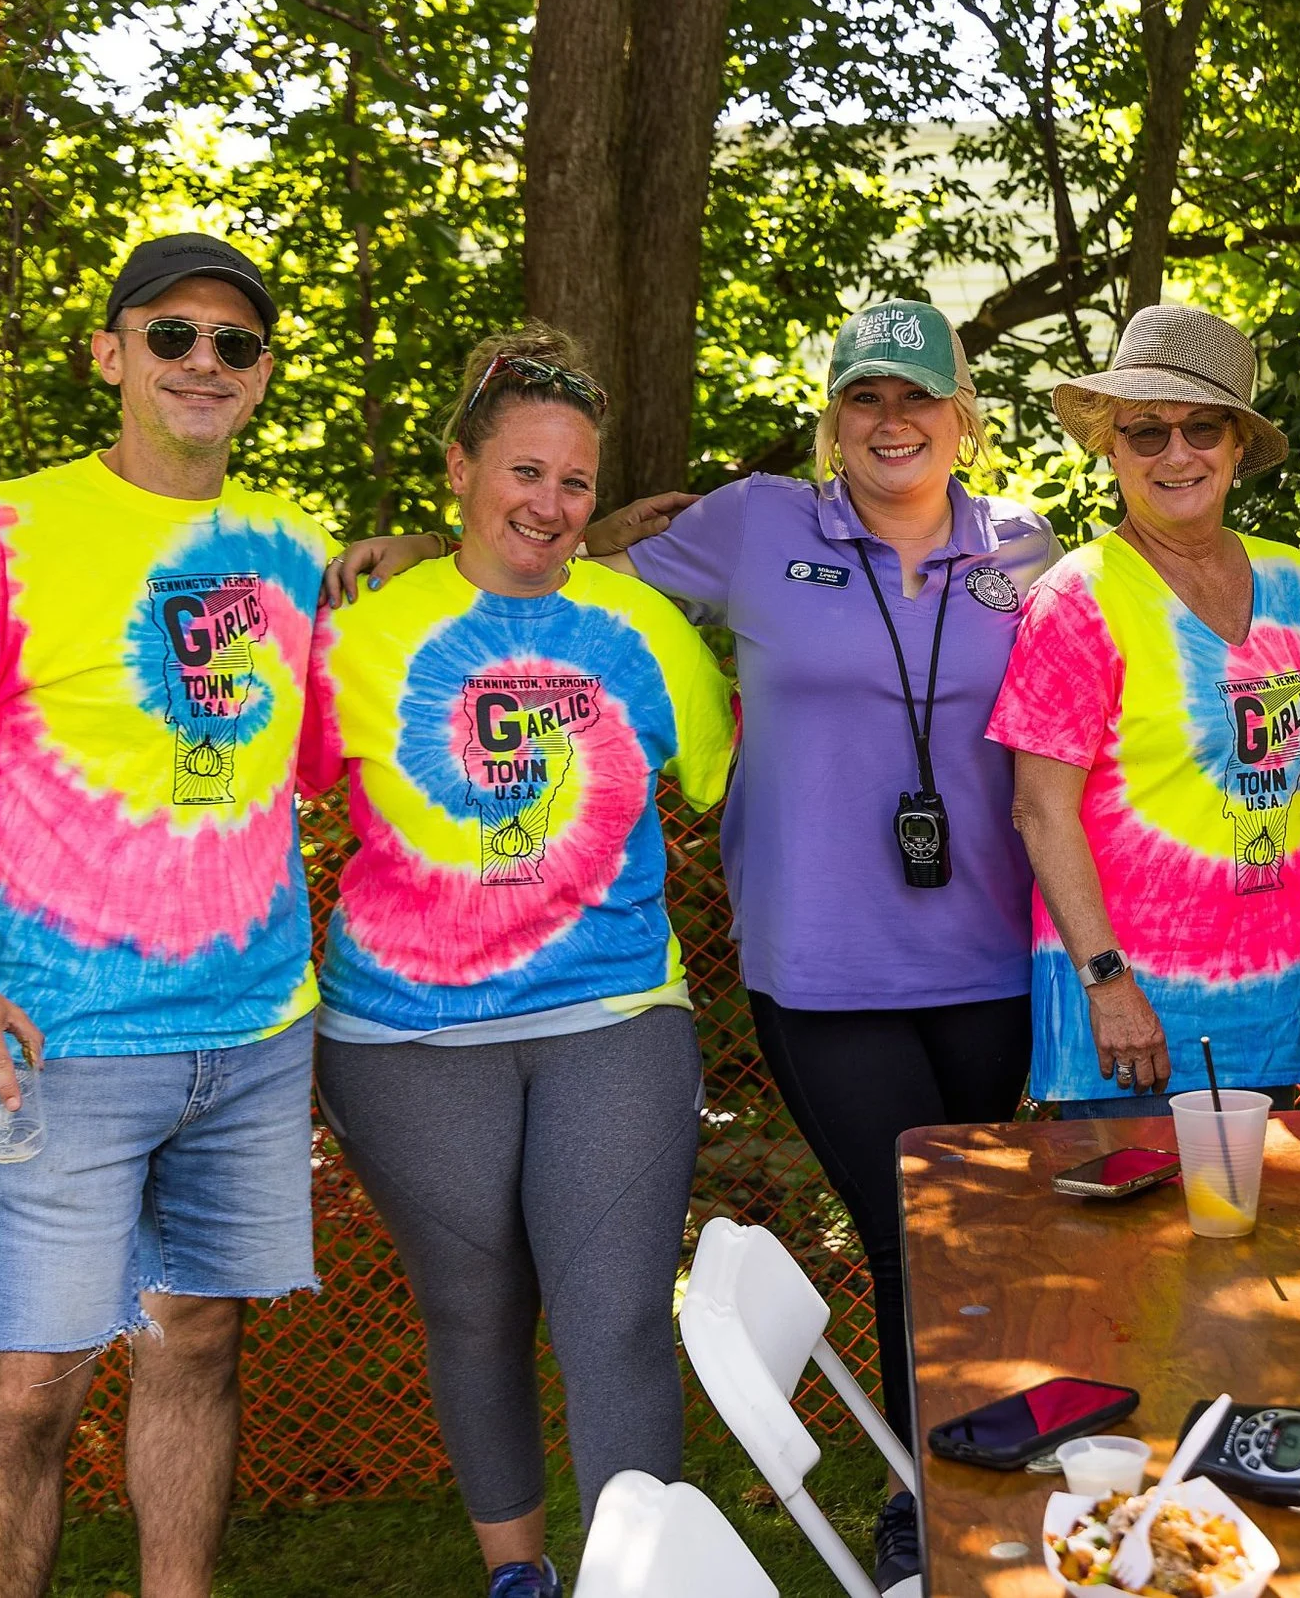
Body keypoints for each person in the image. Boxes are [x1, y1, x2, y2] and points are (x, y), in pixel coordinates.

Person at [326, 299, 1053, 1589]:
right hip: (807, 965)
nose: (893, 420)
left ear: (964, 420)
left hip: (987, 959)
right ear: (832, 419)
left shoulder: (1028, 548)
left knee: (952, 1244)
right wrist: (428, 549)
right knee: (897, 1236)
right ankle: (905, 1508)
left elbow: (1090, 692)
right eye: (865, 398)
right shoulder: (759, 521)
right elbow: (573, 563)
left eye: (919, 398)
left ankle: (918, 1495)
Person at [0, 234, 331, 1598]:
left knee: (196, 1343)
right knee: (25, 1388)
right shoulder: (6, 526)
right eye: (171, 334)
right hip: (55, 1039)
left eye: (233, 343)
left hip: (255, 1032)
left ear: (258, 375)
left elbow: (304, 755)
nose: (202, 360)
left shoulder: (290, 554)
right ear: (110, 354)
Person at [301, 328, 735, 1598]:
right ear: (459, 471)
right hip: (402, 1038)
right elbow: (260, 801)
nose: (548, 502)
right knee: (475, 1312)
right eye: (524, 471)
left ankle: (633, 1580)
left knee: (610, 1322)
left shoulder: (643, 624)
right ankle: (521, 1576)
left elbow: (727, 773)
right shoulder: (362, 633)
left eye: (575, 482)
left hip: (612, 1011)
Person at [993, 304, 1300, 1114]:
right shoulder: (1077, 600)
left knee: (1262, 1242)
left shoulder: (1297, 586)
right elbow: (1042, 813)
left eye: (1204, 428)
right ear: (1111, 446)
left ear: (1238, 445)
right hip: (1129, 1031)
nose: (1176, 453)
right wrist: (1109, 986)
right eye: (1147, 432)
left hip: (1270, 1012)